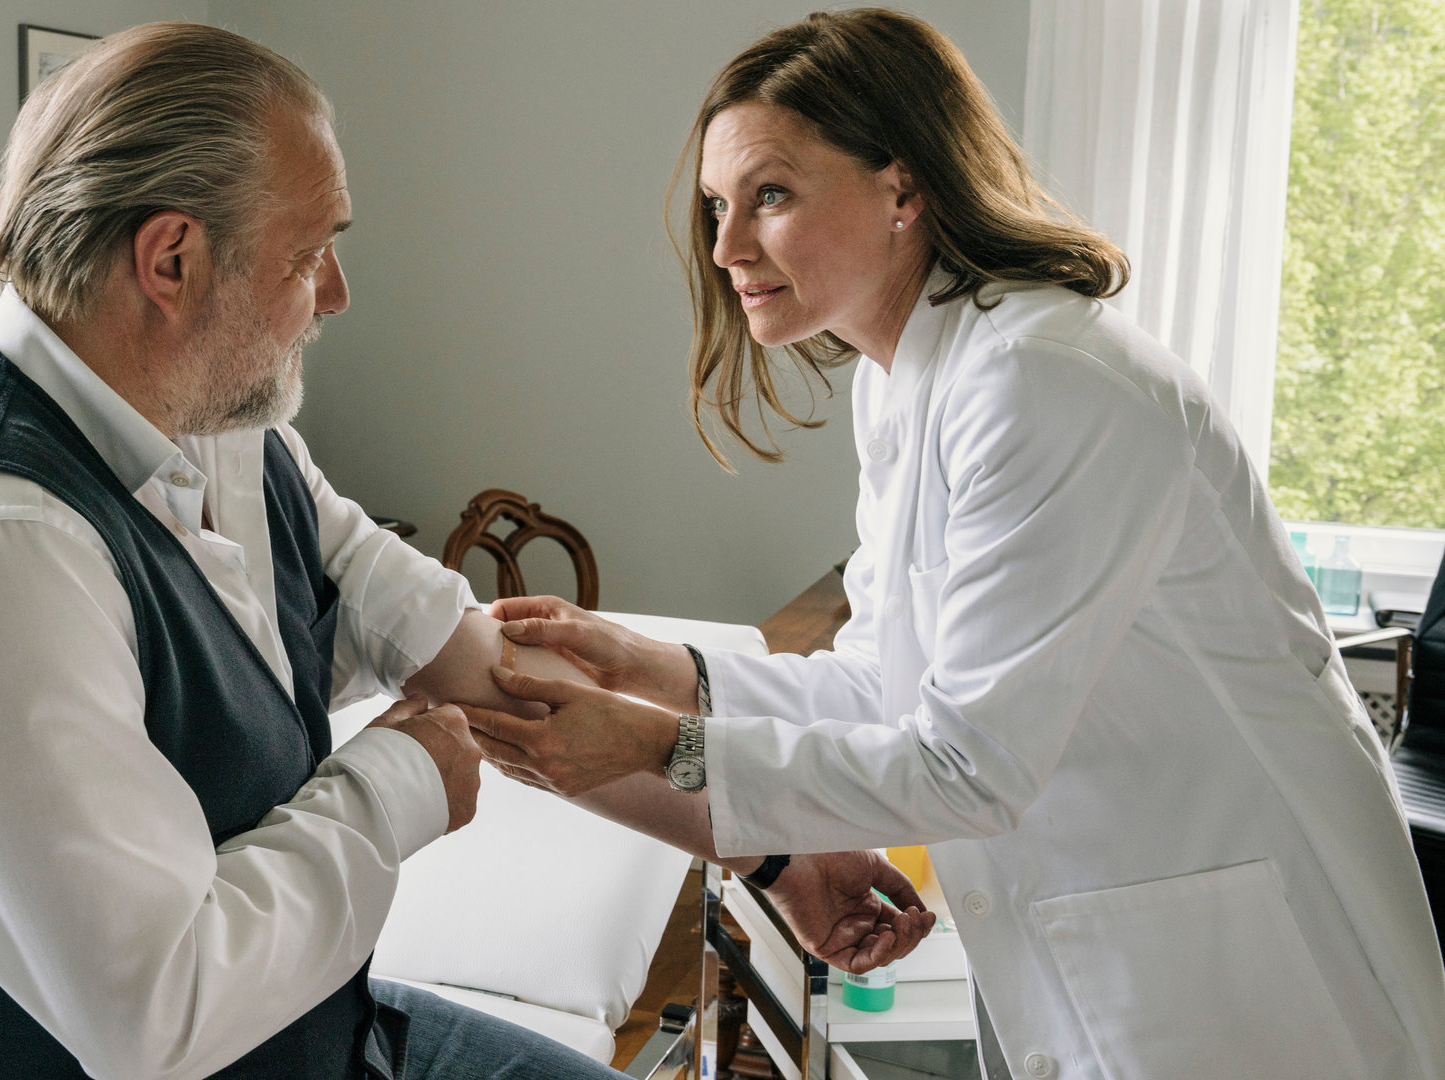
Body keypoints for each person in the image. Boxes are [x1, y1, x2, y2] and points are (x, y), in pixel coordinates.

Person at [0, 22, 927, 1080]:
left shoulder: (225, 425)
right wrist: (399, 780)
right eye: (308, 253)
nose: (336, 292)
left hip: (314, 1038)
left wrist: (773, 852)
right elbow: (155, 1013)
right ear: (172, 261)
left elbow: (475, 664)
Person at [462, 10, 1445, 1080]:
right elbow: (891, 686)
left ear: (905, 186)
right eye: (716, 206)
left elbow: (966, 770)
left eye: (771, 195)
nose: (728, 246)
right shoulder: (906, 384)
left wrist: (660, 745)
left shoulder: (1044, 384)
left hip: (1246, 972)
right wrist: (669, 675)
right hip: (1113, 944)